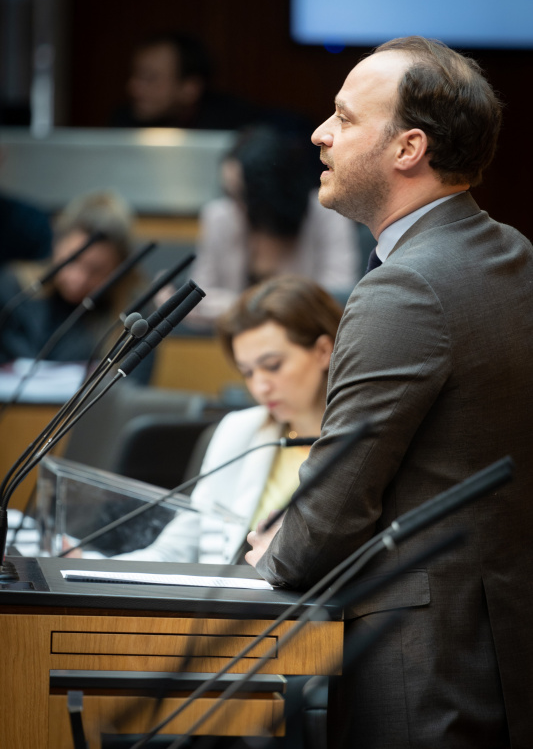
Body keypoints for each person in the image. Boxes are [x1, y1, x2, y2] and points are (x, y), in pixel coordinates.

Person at [246, 37, 533, 747]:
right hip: (497, 639)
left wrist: (268, 553)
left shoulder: (405, 286)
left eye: (343, 119)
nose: (319, 133)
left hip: (420, 661)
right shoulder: (509, 252)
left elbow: (338, 499)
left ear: (407, 149)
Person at [114, 275, 342, 564]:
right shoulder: (240, 430)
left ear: (323, 351)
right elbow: (175, 550)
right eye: (247, 372)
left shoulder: (359, 445)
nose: (260, 386)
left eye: (272, 366)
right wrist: (90, 567)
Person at [189, 126, 360, 323]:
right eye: (228, 192)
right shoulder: (220, 215)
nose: (235, 206)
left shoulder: (326, 214)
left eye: (243, 195)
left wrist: (234, 305)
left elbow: (336, 299)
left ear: (277, 195)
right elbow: (199, 298)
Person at [0, 191, 143, 365]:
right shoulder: (15, 290)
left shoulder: (133, 317)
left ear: (119, 270)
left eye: (96, 270)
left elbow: (133, 384)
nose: (78, 279)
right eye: (72, 260)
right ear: (56, 244)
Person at [110, 31, 260, 130]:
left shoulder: (233, 127)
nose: (133, 87)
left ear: (190, 89)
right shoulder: (123, 122)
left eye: (150, 78)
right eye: (135, 75)